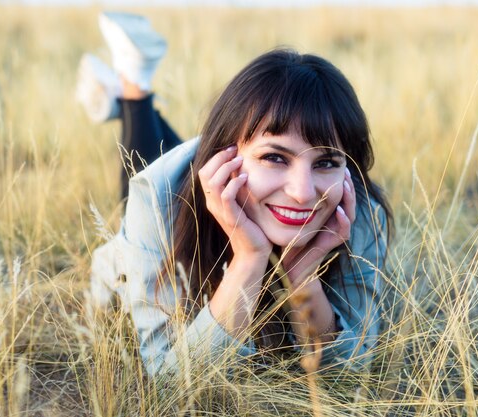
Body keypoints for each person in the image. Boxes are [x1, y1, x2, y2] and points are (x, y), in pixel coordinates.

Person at [80, 12, 393, 376]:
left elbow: (350, 375)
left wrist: (302, 273)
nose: (303, 193)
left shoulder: (355, 209)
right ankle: (134, 87)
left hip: (234, 185)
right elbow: (172, 383)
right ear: (225, 158)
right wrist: (250, 258)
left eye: (325, 162)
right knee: (157, 171)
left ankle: (132, 97)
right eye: (275, 157)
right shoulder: (157, 201)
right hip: (146, 240)